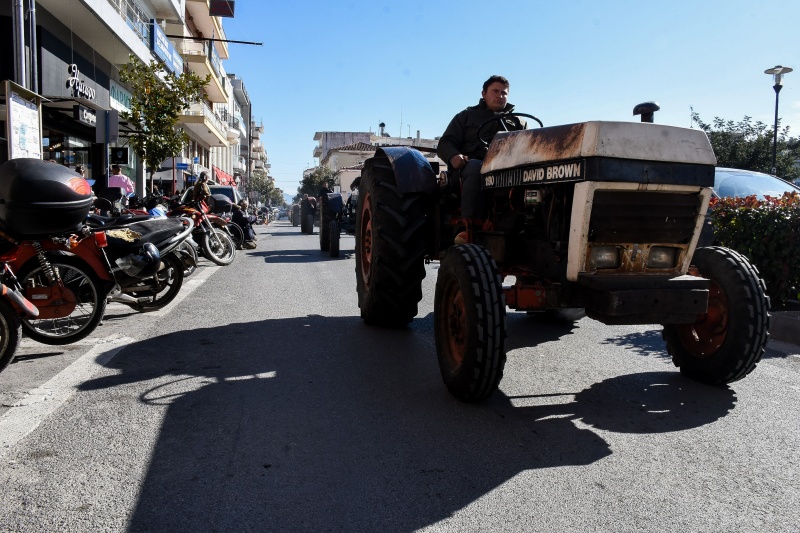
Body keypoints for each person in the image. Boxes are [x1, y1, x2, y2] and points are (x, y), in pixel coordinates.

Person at [437, 75, 526, 242]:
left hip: (506, 169)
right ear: (484, 93)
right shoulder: (466, 116)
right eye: (495, 91)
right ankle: (470, 227)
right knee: (477, 167)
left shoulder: (518, 122)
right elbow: (445, 142)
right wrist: (453, 156)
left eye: (504, 93)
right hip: (468, 168)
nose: (500, 95)